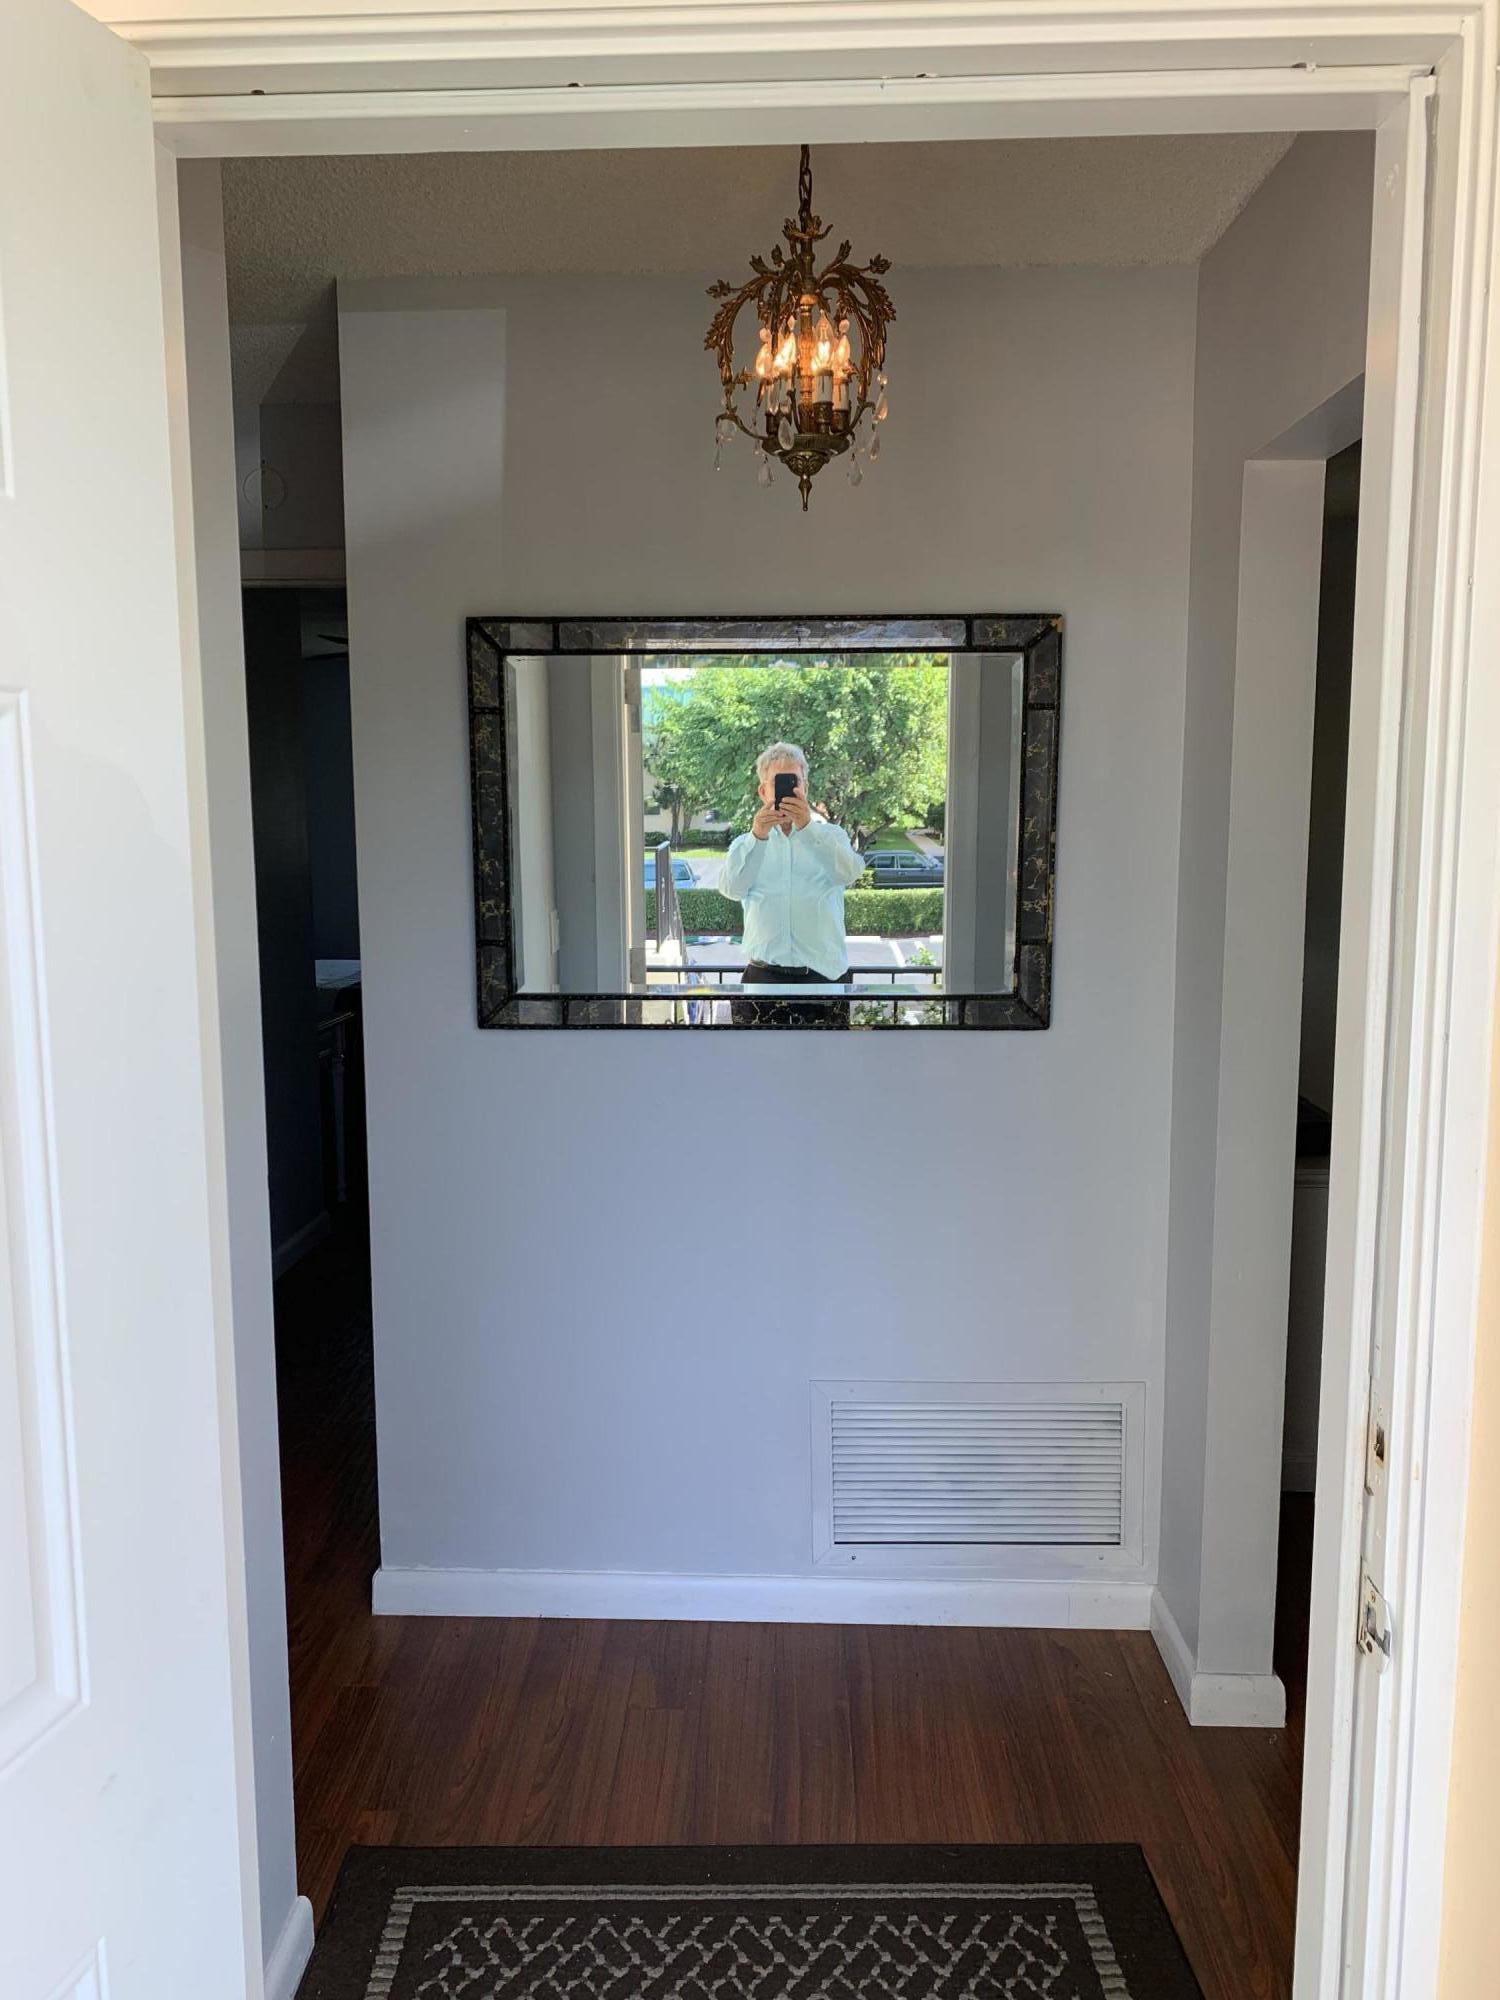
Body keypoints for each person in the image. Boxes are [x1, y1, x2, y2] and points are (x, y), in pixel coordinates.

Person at [719, 742, 864, 1025]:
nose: (787, 790)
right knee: (758, 1067)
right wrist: (757, 836)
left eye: (793, 781)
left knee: (826, 1066)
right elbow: (731, 889)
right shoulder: (744, 845)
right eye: (777, 782)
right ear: (763, 791)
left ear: (804, 787)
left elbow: (848, 874)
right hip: (762, 981)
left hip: (824, 978)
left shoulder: (831, 836)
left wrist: (807, 828)